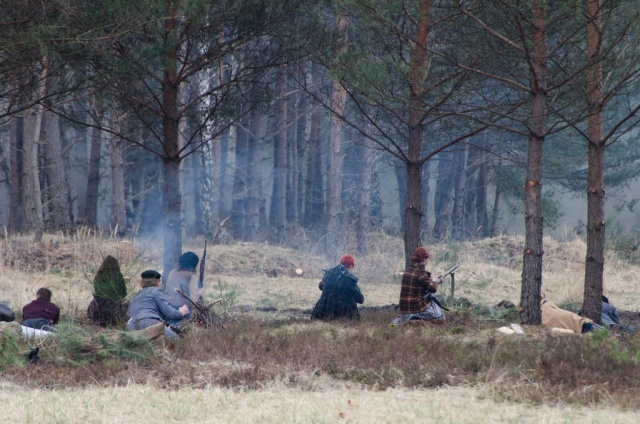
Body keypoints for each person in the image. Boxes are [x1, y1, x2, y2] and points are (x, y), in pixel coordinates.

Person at [127, 270, 189, 339]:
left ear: (142, 283)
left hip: (132, 327)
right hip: (149, 322)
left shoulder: (134, 297)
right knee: (176, 340)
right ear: (157, 282)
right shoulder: (156, 290)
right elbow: (169, 312)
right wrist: (181, 312)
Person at [392, 246, 446, 325]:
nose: (427, 261)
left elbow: (420, 284)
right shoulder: (420, 272)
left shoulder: (407, 270)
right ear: (423, 259)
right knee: (441, 317)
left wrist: (431, 280)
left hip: (404, 310)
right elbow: (433, 289)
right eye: (426, 259)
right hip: (416, 309)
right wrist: (435, 280)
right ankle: (416, 322)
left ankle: (403, 321)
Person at [311, 254, 364, 321]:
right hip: (339, 313)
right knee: (350, 296)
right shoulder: (349, 278)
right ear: (351, 266)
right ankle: (353, 323)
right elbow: (360, 299)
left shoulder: (328, 273)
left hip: (321, 311)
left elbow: (321, 286)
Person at [87, 255, 128, 326]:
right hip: (112, 310)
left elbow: (98, 293)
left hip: (95, 308)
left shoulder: (98, 275)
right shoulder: (117, 275)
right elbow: (123, 294)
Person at [164, 251, 201, 326]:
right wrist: (199, 293)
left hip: (167, 306)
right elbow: (193, 298)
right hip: (182, 308)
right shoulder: (192, 276)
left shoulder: (172, 272)